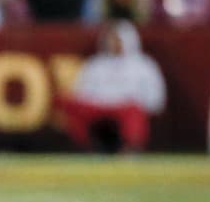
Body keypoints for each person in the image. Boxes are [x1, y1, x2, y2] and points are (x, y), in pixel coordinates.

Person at [56, 20, 166, 153]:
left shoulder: (144, 65)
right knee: (66, 102)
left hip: (127, 108)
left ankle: (130, 148)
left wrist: (139, 104)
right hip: (98, 107)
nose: (112, 43)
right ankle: (84, 147)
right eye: (110, 39)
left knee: (133, 110)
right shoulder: (95, 64)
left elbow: (156, 98)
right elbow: (81, 93)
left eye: (117, 39)